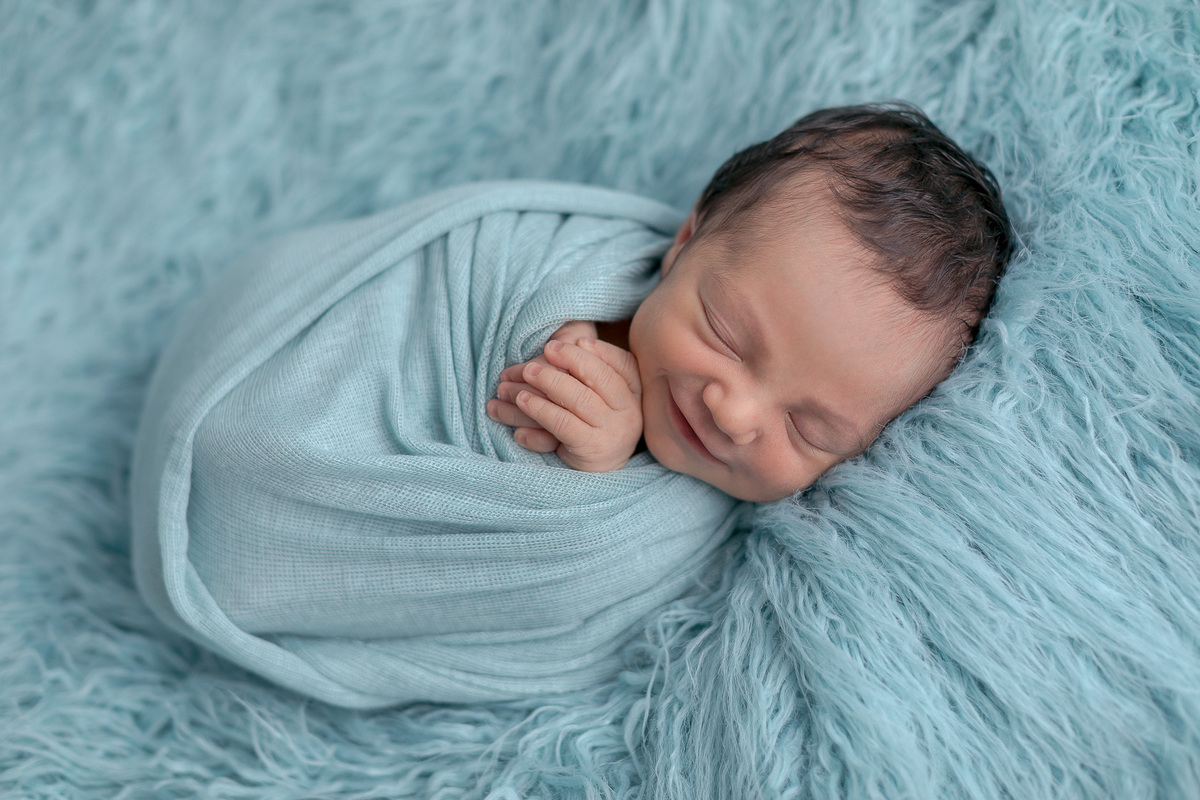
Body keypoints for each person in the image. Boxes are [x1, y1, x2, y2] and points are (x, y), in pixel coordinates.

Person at [487, 103, 1013, 502]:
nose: (734, 416)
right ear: (689, 237)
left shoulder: (715, 531)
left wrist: (598, 467)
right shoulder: (563, 272)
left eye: (807, 430)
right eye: (726, 335)